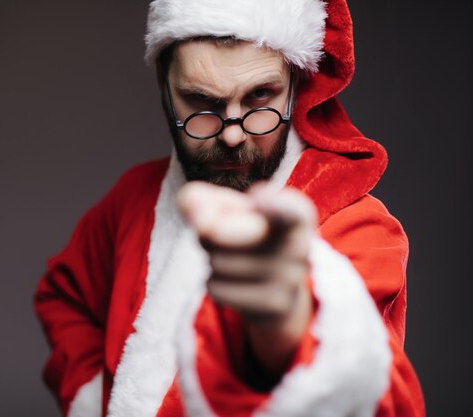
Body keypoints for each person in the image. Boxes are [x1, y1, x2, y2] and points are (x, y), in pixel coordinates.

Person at [34, 0, 426, 416]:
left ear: (296, 84)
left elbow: (381, 400)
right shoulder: (133, 196)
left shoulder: (360, 230)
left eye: (260, 96)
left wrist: (289, 329)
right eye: (202, 102)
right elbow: (65, 297)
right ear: (164, 90)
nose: (234, 135)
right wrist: (91, 399)